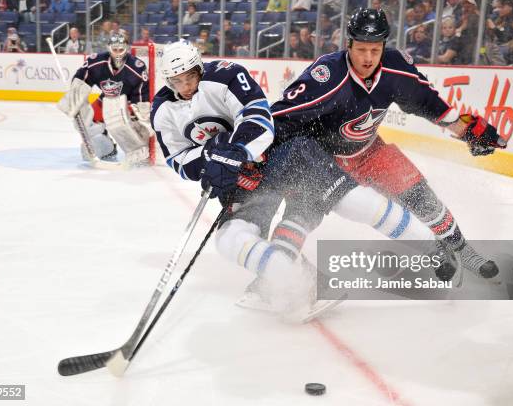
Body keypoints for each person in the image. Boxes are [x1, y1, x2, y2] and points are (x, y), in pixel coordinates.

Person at [150, 40, 453, 320]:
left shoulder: (227, 75)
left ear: (199, 69)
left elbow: (258, 118)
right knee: (229, 239)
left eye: (190, 77)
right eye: (177, 81)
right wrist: (208, 162)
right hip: (240, 181)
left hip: (283, 154)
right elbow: (178, 160)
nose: (185, 86)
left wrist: (233, 151)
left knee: (351, 202)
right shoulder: (162, 110)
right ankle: (298, 282)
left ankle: (431, 244)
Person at [270, 8, 506, 283]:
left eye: (375, 49)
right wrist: (256, 157)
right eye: (361, 49)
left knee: (422, 197)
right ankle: (273, 272)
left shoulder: (396, 67)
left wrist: (466, 130)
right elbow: (281, 118)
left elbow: (429, 103)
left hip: (370, 152)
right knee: (301, 213)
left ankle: (462, 249)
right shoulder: (327, 74)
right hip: (324, 162)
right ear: (348, 45)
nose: (368, 58)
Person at [57, 30, 155, 167]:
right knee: (83, 122)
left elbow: (141, 95)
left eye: (121, 49)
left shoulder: (136, 67)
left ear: (126, 49)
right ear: (109, 48)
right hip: (105, 102)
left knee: (128, 128)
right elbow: (82, 78)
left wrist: (142, 118)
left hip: (127, 104)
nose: (118, 53)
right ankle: (106, 147)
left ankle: (137, 149)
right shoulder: (96, 61)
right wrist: (75, 98)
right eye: (115, 49)